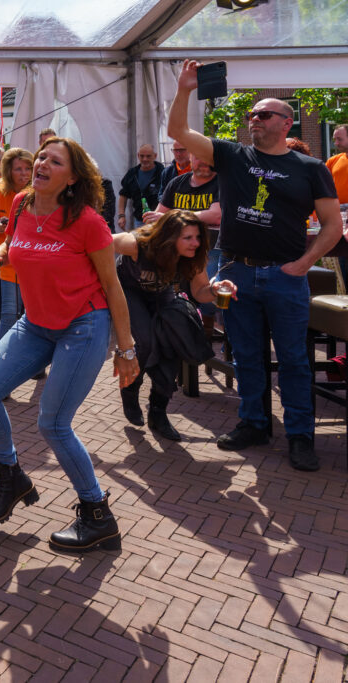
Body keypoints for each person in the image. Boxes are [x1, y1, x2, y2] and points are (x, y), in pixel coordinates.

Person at [168, 60, 344, 471]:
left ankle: (300, 436)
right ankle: (254, 423)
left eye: (263, 115)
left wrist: (304, 264)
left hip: (285, 274)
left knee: (295, 360)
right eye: (252, 115)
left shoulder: (311, 168)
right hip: (236, 272)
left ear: (287, 123)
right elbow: (178, 132)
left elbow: (333, 226)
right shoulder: (231, 155)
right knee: (246, 354)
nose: (254, 120)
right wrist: (184, 91)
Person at [0, 137, 139, 553]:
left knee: (53, 424)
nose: (41, 163)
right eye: (40, 156)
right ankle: (10, 477)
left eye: (54, 161)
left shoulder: (88, 222)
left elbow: (113, 287)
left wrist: (126, 349)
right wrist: (0, 257)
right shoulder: (22, 204)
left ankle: (99, 516)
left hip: (84, 325)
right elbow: (13, 242)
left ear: (72, 178)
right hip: (37, 323)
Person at [114, 210, 236, 441]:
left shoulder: (193, 256)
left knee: (173, 343)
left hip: (162, 294)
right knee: (145, 343)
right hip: (130, 292)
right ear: (170, 238)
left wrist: (216, 289)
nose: (195, 243)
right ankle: (130, 390)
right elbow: (101, 242)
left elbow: (200, 293)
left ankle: (158, 413)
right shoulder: (138, 244)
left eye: (198, 237)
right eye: (188, 238)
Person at [143, 153, 223, 336]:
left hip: (211, 248)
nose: (203, 162)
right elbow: (158, 216)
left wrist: (171, 217)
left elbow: (216, 215)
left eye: (208, 158)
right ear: (191, 158)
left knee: (207, 298)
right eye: (198, 157)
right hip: (178, 252)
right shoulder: (177, 183)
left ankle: (206, 334)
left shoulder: (221, 182)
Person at [0, 147, 33, 338]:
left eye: (27, 168)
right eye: (18, 169)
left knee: (33, 315)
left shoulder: (39, 194)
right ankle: (2, 358)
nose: (24, 173)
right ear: (8, 171)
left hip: (34, 265)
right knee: (9, 314)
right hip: (9, 264)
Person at [117, 145, 164, 231]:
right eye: (142, 156)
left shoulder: (163, 173)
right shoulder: (132, 173)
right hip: (139, 221)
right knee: (139, 244)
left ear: (155, 156)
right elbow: (123, 195)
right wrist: (121, 215)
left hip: (159, 221)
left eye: (148, 156)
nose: (145, 159)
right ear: (138, 155)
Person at [157, 140, 191, 205]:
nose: (178, 154)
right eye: (175, 150)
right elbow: (161, 194)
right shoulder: (167, 172)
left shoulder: (197, 169)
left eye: (182, 150)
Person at [326, 124, 348, 204]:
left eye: (339, 139)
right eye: (335, 139)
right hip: (338, 213)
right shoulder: (332, 161)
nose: (336, 143)